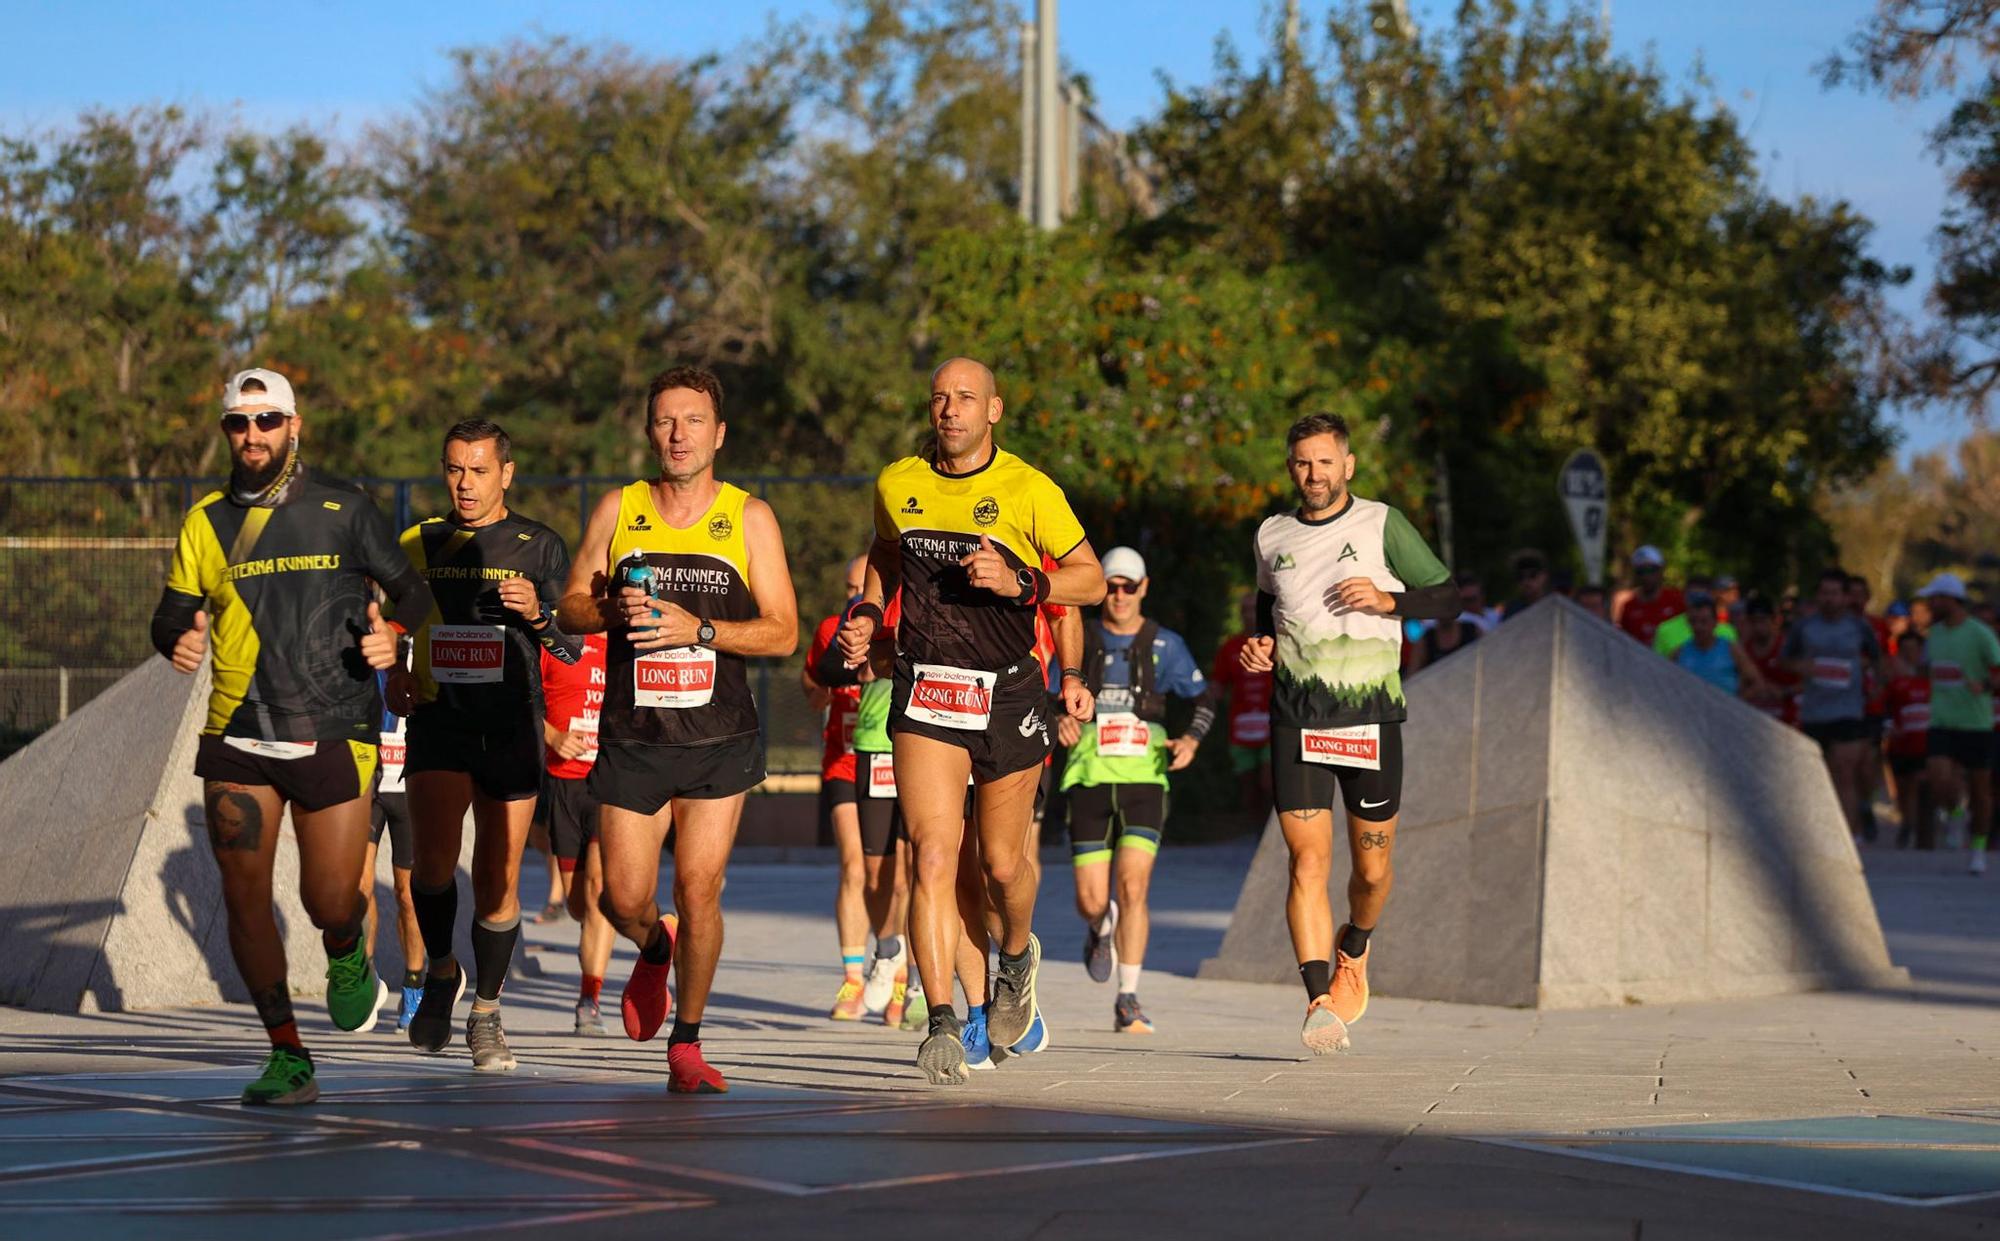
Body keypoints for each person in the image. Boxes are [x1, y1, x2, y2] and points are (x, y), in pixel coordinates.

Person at [150, 367, 433, 1105]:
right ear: (225, 432)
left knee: (329, 899)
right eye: (239, 424)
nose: (253, 435)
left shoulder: (345, 507)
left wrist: (393, 637)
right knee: (243, 899)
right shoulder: (205, 520)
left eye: (267, 420)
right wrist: (176, 638)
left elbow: (412, 590)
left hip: (333, 727)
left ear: (294, 425)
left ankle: (347, 951)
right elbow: (169, 612)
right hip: (238, 731)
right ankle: (287, 1053)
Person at [836, 356, 1102, 1085]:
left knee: (1002, 865)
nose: (949, 409)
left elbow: (1091, 577)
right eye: (939, 398)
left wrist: (1025, 581)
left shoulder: (1028, 487)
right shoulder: (899, 482)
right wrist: (866, 610)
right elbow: (884, 558)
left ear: (994, 410)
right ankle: (945, 1021)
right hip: (925, 691)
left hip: (1009, 694)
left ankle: (1017, 956)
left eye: (965, 398)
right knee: (930, 854)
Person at [557, 365, 799, 1094]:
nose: (678, 433)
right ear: (649, 430)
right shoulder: (619, 508)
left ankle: (687, 1044)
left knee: (700, 888)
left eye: (693, 420)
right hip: (634, 736)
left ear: (718, 434)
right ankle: (653, 947)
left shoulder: (749, 516)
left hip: (719, 738)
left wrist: (701, 628)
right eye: (666, 419)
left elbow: (784, 631)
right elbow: (568, 605)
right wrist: (608, 612)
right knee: (620, 899)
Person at [1239, 412, 1460, 1056]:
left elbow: (1446, 597)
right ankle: (1318, 1003)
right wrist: (1261, 647)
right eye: (1303, 462)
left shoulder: (1381, 523)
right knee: (1306, 861)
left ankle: (1355, 946)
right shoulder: (1271, 533)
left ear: (1348, 466)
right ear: (1291, 467)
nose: (1315, 474)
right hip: (1298, 719)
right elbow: (1265, 608)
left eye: (1326, 462)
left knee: (1372, 870)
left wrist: (1391, 602)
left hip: (1370, 720)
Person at [394, 419, 583, 1072]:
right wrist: (394, 673)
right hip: (439, 721)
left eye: (478, 469)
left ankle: (488, 1010)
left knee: (500, 880)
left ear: (506, 471)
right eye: (453, 468)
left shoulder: (540, 545)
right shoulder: (418, 542)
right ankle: (442, 969)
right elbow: (391, 625)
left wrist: (536, 613)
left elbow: (572, 646)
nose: (464, 483)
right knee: (434, 867)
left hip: (510, 726)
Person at [1058, 545, 1213, 1035]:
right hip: (1088, 776)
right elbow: (1043, 695)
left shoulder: (1165, 644)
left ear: (1143, 588)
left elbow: (1203, 698)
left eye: (1129, 586)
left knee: (1135, 886)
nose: (1120, 595)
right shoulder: (1080, 639)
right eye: (1112, 586)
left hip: (1145, 779)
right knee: (1091, 899)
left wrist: (1191, 739)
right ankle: (1100, 929)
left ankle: (1128, 998)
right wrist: (1058, 718)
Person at [802, 555, 908, 1022]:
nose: (854, 597)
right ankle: (851, 979)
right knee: (855, 866)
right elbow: (812, 677)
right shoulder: (832, 629)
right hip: (844, 759)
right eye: (849, 588)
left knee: (901, 876)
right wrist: (819, 692)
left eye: (860, 588)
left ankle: (900, 976)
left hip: (894, 752)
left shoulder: (896, 625)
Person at [540, 631, 615, 1033]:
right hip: (563, 784)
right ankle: (645, 926)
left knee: (599, 890)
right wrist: (553, 736)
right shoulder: (553, 642)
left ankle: (589, 998)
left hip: (611, 783)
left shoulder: (629, 642)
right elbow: (522, 700)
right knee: (577, 905)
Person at [1783, 568, 1889, 844]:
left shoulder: (1859, 627)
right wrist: (1802, 666)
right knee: (1819, 777)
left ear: (1844, 597)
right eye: (1823, 593)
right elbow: (1785, 660)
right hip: (1814, 712)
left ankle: (1848, 838)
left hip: (1848, 711)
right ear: (1817, 596)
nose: (1829, 599)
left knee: (1844, 773)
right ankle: (1818, 836)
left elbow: (1878, 659)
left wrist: (1877, 686)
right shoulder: (1804, 627)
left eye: (1834, 593)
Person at [1917, 573, 2000, 874]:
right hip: (1941, 721)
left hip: (1976, 724)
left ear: (1951, 600)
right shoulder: (1934, 634)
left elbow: (1997, 671)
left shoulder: (1980, 634)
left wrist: (1987, 686)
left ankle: (1977, 849)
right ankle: (1955, 811)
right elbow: (1928, 669)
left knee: (1981, 790)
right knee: (1938, 779)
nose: (1929, 604)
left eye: (1934, 598)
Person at [368, 665, 426, 1032]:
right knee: (359, 889)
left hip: (407, 786)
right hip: (369, 784)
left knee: (407, 894)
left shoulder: (420, 647)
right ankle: (364, 980)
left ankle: (414, 984)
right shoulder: (366, 650)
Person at [1210, 591, 1275, 821]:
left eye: (1254, 609)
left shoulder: (1277, 644)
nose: (1249, 615)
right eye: (1245, 610)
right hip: (1241, 727)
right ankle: (1256, 835)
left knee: (1269, 783)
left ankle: (1273, 831)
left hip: (1272, 725)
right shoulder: (1230, 648)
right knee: (1249, 790)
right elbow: (1217, 684)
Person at [1883, 631, 1932, 850]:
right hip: (1901, 745)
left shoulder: (1932, 680)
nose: (1911, 654)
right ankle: (1907, 824)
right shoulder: (1894, 682)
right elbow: (1883, 708)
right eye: (1906, 650)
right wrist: (1888, 727)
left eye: (1915, 649)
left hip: (1926, 745)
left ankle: (1925, 830)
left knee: (1922, 784)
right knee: (1904, 789)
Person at [1665, 593, 1764, 698]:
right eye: (1694, 621)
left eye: (1704, 622)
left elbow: (1757, 683)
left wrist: (1737, 703)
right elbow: (1665, 683)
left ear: (1715, 622)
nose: (1699, 627)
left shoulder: (1731, 649)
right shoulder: (1679, 653)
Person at [1740, 596, 1800, 727]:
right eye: (1754, 621)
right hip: (1754, 724)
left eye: (1763, 621)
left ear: (1776, 621)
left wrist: (1784, 691)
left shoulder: (1788, 649)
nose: (1758, 627)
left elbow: (1809, 683)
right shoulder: (1743, 651)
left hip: (1786, 725)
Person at [1651, 576, 1737, 657]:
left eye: (1702, 597)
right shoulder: (1665, 630)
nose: (1697, 601)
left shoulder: (1727, 631)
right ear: (1684, 597)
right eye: (1692, 596)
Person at [1617, 546, 1684, 646]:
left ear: (1661, 571)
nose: (1646, 576)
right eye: (1641, 571)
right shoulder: (1629, 607)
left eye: (1652, 570)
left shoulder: (1676, 599)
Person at [1502, 551, 1550, 620]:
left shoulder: (1555, 606)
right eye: (1520, 577)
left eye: (1532, 575)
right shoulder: (1512, 610)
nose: (1526, 581)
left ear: (1544, 576)